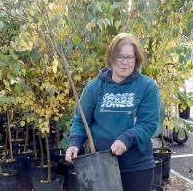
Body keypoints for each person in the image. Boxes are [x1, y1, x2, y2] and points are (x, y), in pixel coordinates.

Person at [65, 33, 160, 191]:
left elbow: (148, 124)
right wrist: (74, 143)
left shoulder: (146, 86)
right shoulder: (94, 87)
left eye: (130, 57)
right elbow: (81, 120)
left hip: (136, 166)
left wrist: (126, 140)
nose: (124, 62)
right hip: (99, 166)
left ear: (136, 60)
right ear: (111, 58)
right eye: (120, 57)